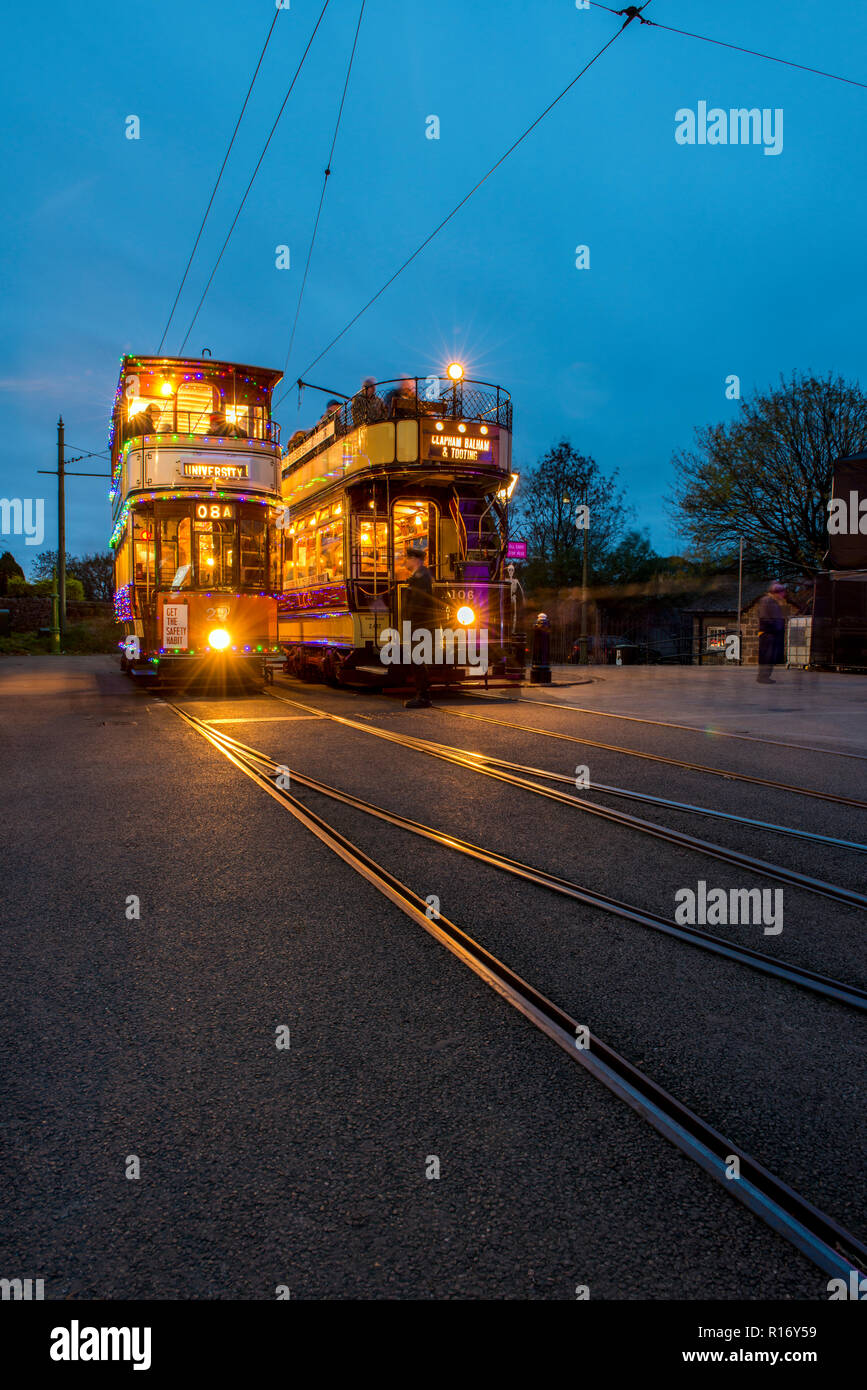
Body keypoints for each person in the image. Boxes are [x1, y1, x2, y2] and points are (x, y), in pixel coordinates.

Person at [403, 542, 435, 708]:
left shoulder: (421, 578)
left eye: (407, 559)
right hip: (418, 624)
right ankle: (422, 694)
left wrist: (410, 625)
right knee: (417, 660)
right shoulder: (419, 576)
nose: (405, 562)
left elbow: (419, 603)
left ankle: (423, 696)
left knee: (418, 660)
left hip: (420, 625)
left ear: (415, 559)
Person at [756, 581, 787, 683]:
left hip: (771, 632)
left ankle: (765, 676)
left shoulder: (772, 601)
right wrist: (774, 628)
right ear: (777, 592)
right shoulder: (767, 601)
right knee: (767, 656)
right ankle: (763, 677)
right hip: (768, 633)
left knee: (770, 656)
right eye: (782, 592)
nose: (784, 595)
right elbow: (766, 617)